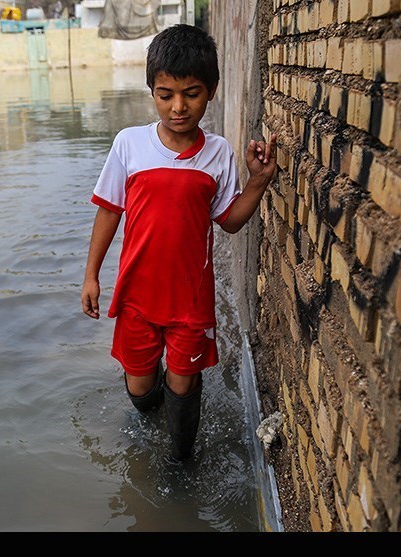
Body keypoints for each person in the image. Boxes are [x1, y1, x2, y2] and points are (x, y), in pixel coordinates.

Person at [80, 24, 278, 463]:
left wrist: (259, 184)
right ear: (152, 91)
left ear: (211, 90)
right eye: (165, 93)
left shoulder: (219, 153)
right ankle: (151, 419)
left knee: (183, 383)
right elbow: (109, 210)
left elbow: (227, 220)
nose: (178, 106)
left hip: (190, 299)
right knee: (140, 386)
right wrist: (91, 275)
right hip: (137, 295)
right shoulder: (129, 144)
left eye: (191, 93)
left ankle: (179, 461)